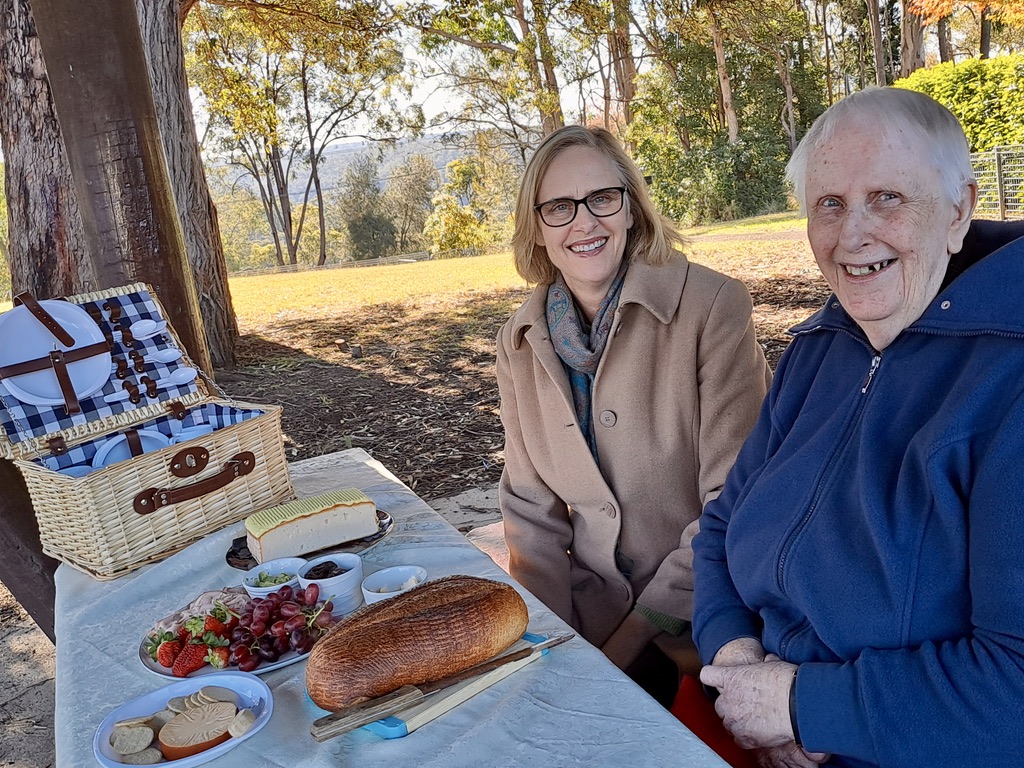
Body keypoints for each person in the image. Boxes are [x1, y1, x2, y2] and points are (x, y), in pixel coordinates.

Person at [692, 86, 1024, 768]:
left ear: (957, 210)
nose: (852, 235)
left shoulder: (1009, 380)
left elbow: (1013, 688)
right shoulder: (818, 349)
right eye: (830, 205)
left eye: (888, 198)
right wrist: (737, 663)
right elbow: (723, 530)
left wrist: (803, 707)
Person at [496, 125, 771, 704]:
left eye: (603, 198)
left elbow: (734, 504)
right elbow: (531, 518)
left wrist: (618, 650)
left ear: (631, 207)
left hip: (708, 625)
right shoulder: (517, 341)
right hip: (586, 626)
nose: (584, 222)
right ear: (537, 229)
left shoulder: (713, 307)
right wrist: (552, 650)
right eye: (559, 207)